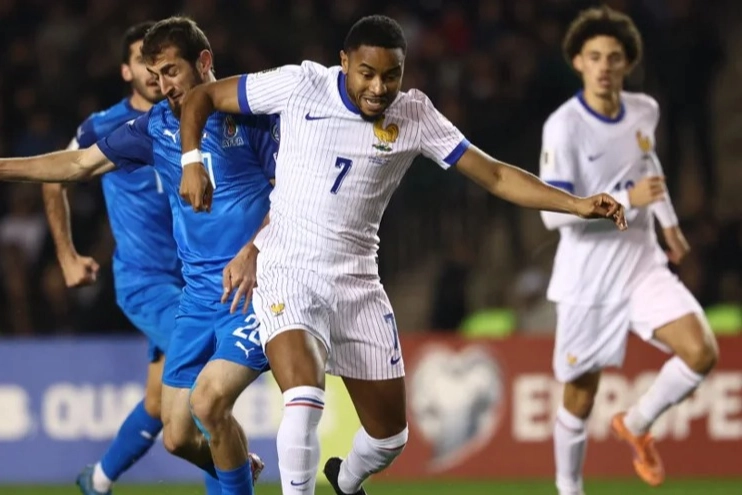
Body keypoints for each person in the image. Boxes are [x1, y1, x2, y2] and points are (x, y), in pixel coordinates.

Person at [177, 15, 626, 495]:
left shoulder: (414, 116)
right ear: (344, 62)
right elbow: (202, 97)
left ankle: (346, 481)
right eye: (367, 73)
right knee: (304, 398)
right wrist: (192, 161)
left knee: (389, 438)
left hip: (357, 283)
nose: (379, 87)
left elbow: (494, 175)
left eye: (391, 75)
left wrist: (576, 204)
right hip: (289, 269)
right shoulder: (300, 85)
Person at [0, 16, 278, 495]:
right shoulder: (156, 127)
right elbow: (77, 163)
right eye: (156, 74)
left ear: (203, 61)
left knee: (211, 405)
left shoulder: (249, 112)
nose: (163, 85)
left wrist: (256, 248)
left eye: (171, 71)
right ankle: (225, 468)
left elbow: (293, 194)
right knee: (176, 435)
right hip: (195, 299)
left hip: (253, 290)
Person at [538, 6, 718, 494]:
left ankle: (636, 423)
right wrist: (625, 200)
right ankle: (569, 489)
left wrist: (669, 226)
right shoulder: (563, 127)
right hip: (587, 281)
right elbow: (552, 215)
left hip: (641, 265)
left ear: (628, 63)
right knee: (579, 397)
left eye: (614, 57)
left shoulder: (644, 110)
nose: (604, 66)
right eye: (594, 56)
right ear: (578, 62)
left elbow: (647, 163)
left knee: (701, 352)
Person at [40, 21, 191, 495]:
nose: (153, 71)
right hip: (145, 281)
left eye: (161, 62)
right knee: (206, 375)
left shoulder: (191, 116)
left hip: (194, 279)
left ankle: (98, 480)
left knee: (157, 401)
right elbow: (55, 178)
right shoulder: (104, 126)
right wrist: (67, 256)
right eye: (143, 61)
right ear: (126, 70)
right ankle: (230, 473)